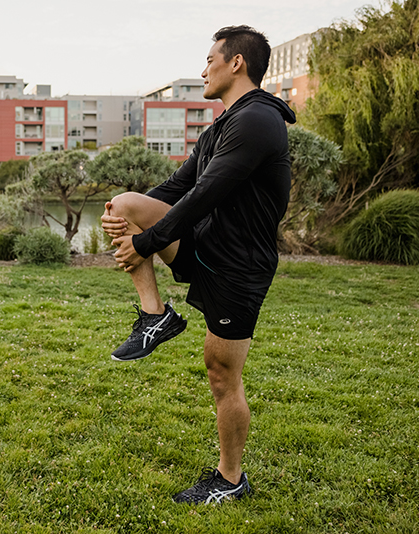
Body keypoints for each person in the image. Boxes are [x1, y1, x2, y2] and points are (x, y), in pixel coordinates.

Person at [102, 25, 296, 504]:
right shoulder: (220, 127)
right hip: (206, 246)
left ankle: (231, 480)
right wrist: (131, 224)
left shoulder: (257, 122)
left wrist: (147, 242)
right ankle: (155, 316)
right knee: (124, 202)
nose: (203, 68)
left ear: (237, 64)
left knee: (221, 372)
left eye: (210, 58)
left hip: (239, 268)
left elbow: (207, 193)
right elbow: (177, 188)